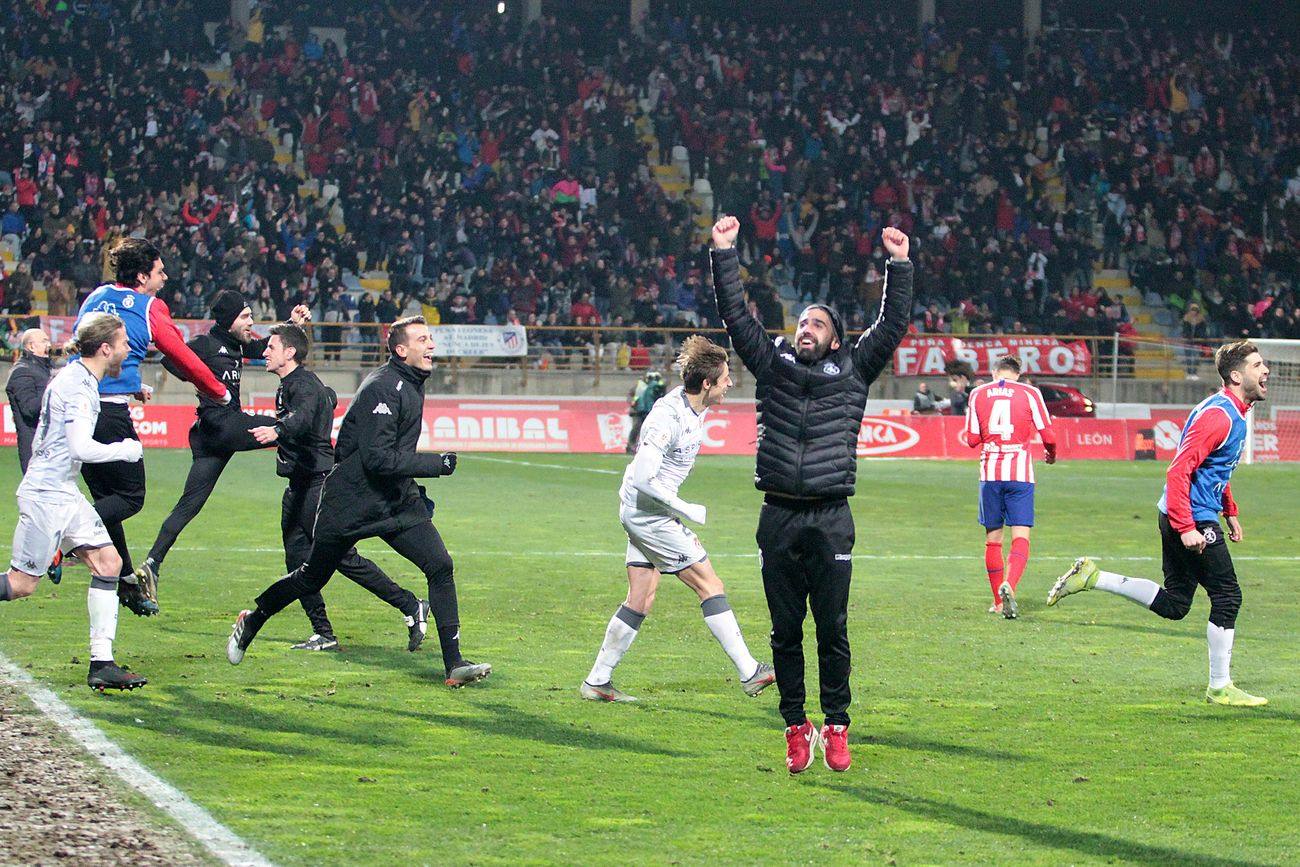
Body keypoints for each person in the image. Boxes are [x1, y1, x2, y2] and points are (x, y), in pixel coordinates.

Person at [710, 215, 913, 774]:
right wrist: (724, 251)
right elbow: (735, 317)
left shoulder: (854, 367)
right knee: (783, 632)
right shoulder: (771, 364)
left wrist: (898, 265)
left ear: (836, 338)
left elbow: (892, 324)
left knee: (832, 628)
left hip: (830, 517)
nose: (806, 327)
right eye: (802, 321)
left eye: (818, 323)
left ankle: (838, 725)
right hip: (777, 514)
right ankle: (796, 726)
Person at [227, 317, 492, 688]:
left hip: (394, 499)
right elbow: (377, 459)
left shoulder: (412, 383)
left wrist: (416, 488)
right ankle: (252, 620)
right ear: (401, 350)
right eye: (422, 339)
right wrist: (436, 464)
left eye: (430, 337)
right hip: (351, 500)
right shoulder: (383, 388)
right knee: (311, 576)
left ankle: (454, 665)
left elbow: (390, 459)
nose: (431, 344)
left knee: (440, 565)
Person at [1048, 341, 1269, 707]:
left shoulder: (1230, 410)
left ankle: (1092, 576)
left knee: (1176, 604)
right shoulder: (1221, 415)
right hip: (1191, 517)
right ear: (1236, 375)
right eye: (1257, 365)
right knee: (1228, 596)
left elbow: (1215, 466)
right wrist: (1187, 527)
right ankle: (1220, 686)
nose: (1265, 371)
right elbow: (1179, 469)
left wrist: (1229, 509)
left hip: (1186, 512)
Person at [581, 335, 775, 703]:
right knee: (710, 584)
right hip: (651, 516)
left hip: (643, 512)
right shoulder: (667, 417)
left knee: (640, 597)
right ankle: (750, 671)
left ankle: (597, 681)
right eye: (725, 378)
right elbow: (642, 477)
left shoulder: (690, 407)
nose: (730, 383)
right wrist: (684, 509)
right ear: (707, 383)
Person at [72, 237, 231, 618]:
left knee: (109, 505)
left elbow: (86, 346)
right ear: (143, 276)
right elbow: (182, 356)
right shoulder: (150, 306)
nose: (165, 277)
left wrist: (131, 383)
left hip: (80, 405)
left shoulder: (95, 297)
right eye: (160, 271)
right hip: (109, 415)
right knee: (130, 498)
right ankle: (64, 538)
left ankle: (126, 584)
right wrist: (218, 391)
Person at [248, 323, 430, 651]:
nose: (264, 352)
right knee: (296, 559)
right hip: (297, 487)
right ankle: (324, 633)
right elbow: (325, 399)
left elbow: (303, 416)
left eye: (271, 347)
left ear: (288, 353)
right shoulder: (294, 383)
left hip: (315, 487)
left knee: (342, 558)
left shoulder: (301, 385)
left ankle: (409, 604)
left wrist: (280, 429)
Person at [133, 291, 309, 605]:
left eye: (251, 316)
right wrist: (200, 379)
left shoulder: (237, 344)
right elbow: (169, 360)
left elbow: (264, 346)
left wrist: (291, 325)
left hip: (212, 436)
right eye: (245, 317)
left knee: (189, 505)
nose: (251, 322)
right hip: (222, 423)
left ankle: (152, 563)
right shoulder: (205, 345)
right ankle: (312, 485)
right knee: (286, 426)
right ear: (228, 320)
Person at [2, 313, 148, 691]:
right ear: (105, 348)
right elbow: (80, 447)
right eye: (122, 343)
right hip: (47, 496)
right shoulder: (79, 387)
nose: (128, 349)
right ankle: (102, 662)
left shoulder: (79, 379)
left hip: (62, 492)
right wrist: (126, 450)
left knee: (109, 562)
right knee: (21, 585)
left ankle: (102, 663)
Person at [959, 356, 1057, 618]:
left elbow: (971, 439)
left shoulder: (977, 394)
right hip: (1020, 474)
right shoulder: (1030, 393)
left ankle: (998, 602)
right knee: (1021, 537)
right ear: (1019, 373)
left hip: (990, 474)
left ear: (994, 373)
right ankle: (1010, 586)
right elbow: (1049, 436)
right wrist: (1051, 454)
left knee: (993, 540)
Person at [5, 327, 52, 472]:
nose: (49, 345)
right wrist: (52, 386)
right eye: (44, 341)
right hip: (34, 447)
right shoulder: (21, 371)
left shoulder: (40, 368)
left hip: (47, 443)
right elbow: (30, 409)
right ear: (31, 346)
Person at [625, 371, 665, 453]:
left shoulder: (657, 387)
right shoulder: (640, 386)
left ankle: (647, 447)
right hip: (637, 411)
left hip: (650, 412)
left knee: (651, 430)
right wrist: (632, 402)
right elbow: (630, 395)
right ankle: (631, 445)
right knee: (636, 428)